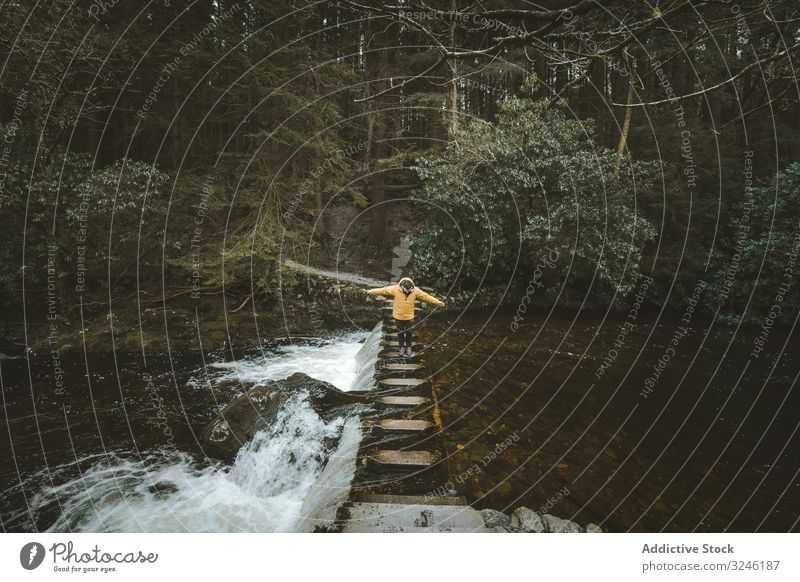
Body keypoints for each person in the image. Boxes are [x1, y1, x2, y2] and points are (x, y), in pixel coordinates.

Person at [366, 277, 444, 357]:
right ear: (402, 286)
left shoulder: (416, 290)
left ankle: (409, 347)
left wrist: (437, 302)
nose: (407, 291)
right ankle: (401, 348)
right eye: (405, 290)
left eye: (409, 290)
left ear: (412, 287)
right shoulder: (395, 289)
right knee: (400, 333)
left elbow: (426, 296)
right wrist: (371, 291)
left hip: (409, 317)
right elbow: (383, 290)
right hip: (398, 316)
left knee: (409, 332)